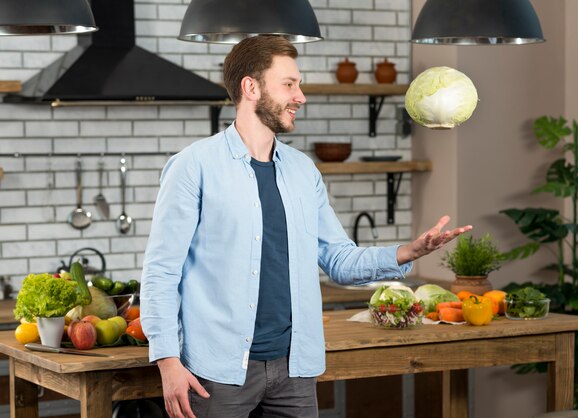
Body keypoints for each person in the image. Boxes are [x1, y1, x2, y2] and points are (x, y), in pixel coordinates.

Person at [140, 35, 472, 418]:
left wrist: (408, 253)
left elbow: (337, 258)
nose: (301, 96)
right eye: (289, 84)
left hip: (294, 370)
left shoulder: (302, 170)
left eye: (298, 84)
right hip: (216, 372)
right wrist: (168, 363)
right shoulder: (193, 167)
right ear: (251, 87)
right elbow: (162, 272)